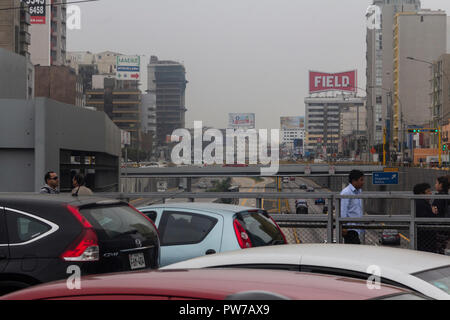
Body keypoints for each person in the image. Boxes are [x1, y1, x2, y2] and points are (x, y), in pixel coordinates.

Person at [340, 170, 365, 244]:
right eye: (361, 180)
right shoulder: (346, 192)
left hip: (357, 228)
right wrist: (344, 226)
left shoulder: (359, 191)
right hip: (350, 229)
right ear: (354, 181)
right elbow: (343, 210)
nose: (363, 182)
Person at [413, 183, 437, 253]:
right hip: (425, 239)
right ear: (421, 194)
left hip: (424, 240)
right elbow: (425, 219)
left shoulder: (420, 203)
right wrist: (433, 212)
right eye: (428, 191)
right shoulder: (421, 204)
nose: (430, 193)